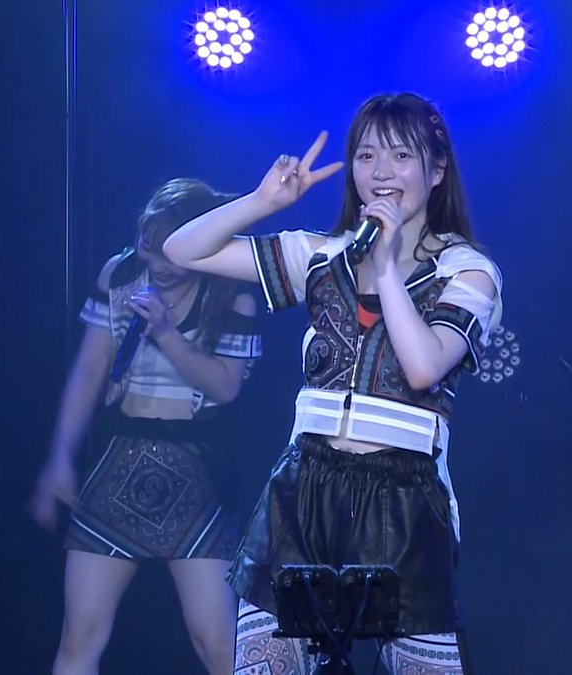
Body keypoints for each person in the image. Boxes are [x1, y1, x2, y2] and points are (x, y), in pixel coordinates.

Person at [163, 92, 503, 674]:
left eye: (401, 156)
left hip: (404, 499)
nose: (382, 172)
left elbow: (424, 367)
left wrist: (386, 264)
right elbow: (182, 250)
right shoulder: (322, 256)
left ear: (437, 170)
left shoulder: (467, 271)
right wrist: (262, 202)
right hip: (303, 490)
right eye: (367, 156)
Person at [29, 178, 263, 675]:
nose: (157, 263)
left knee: (218, 643)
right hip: (119, 462)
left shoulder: (232, 292)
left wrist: (166, 333)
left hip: (197, 474)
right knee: (80, 634)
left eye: (169, 251)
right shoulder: (121, 275)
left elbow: (226, 386)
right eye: (147, 246)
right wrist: (59, 459)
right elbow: (89, 372)